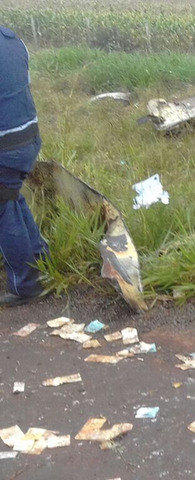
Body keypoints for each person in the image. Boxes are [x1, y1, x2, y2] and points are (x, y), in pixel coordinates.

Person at [0, 25, 49, 307]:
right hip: (29, 138)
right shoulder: (13, 39)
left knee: (3, 210)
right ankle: (41, 261)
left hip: (5, 146)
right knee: (10, 197)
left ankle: (24, 285)